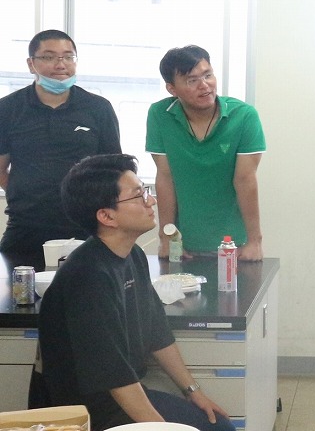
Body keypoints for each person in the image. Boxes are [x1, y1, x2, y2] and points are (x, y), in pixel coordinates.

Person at [36, 153, 233, 431]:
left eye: (146, 191)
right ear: (106, 216)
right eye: (138, 195)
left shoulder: (133, 255)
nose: (151, 201)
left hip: (124, 395)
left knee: (218, 426)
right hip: (88, 411)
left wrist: (194, 392)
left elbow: (157, 333)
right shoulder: (88, 276)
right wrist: (160, 428)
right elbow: (113, 375)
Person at [0, 29, 121, 257]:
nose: (60, 64)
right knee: (17, 280)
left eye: (68, 57)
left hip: (86, 225)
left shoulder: (98, 108)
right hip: (25, 226)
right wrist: (23, 192)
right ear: (31, 64)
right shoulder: (8, 108)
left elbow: (114, 171)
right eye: (49, 57)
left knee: (86, 280)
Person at [146, 45, 265, 261]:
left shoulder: (244, 116)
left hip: (233, 244)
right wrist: (166, 238)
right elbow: (165, 178)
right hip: (183, 244)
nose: (204, 85)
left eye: (208, 75)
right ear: (172, 89)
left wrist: (255, 241)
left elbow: (245, 180)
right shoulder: (159, 115)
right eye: (192, 80)